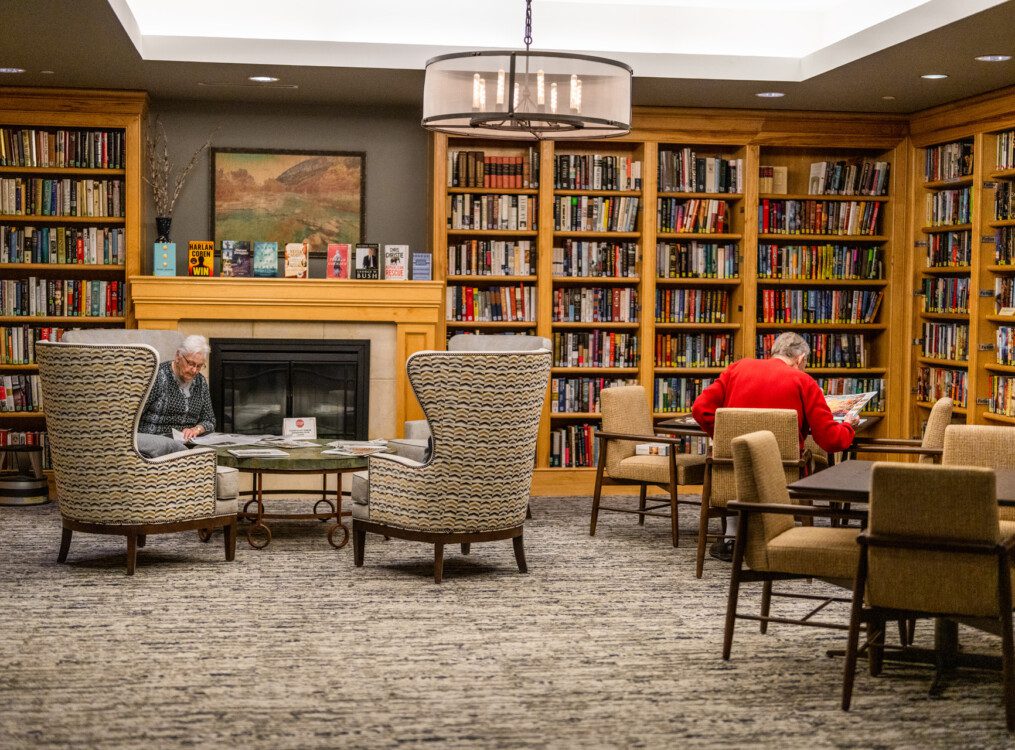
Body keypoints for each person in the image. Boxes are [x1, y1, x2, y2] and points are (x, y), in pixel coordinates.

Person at [691, 331, 859, 561]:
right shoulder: (804, 382)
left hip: (732, 471)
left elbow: (700, 409)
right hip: (783, 476)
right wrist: (848, 426)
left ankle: (732, 537)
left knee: (737, 469)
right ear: (800, 360)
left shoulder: (736, 369)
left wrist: (725, 438)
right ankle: (785, 539)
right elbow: (830, 440)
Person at [136, 335, 216, 458]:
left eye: (199, 366)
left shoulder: (200, 382)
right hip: (154, 444)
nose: (194, 370)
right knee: (182, 452)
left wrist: (196, 429)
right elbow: (134, 415)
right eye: (191, 363)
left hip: (185, 445)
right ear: (178, 356)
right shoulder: (157, 377)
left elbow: (210, 420)